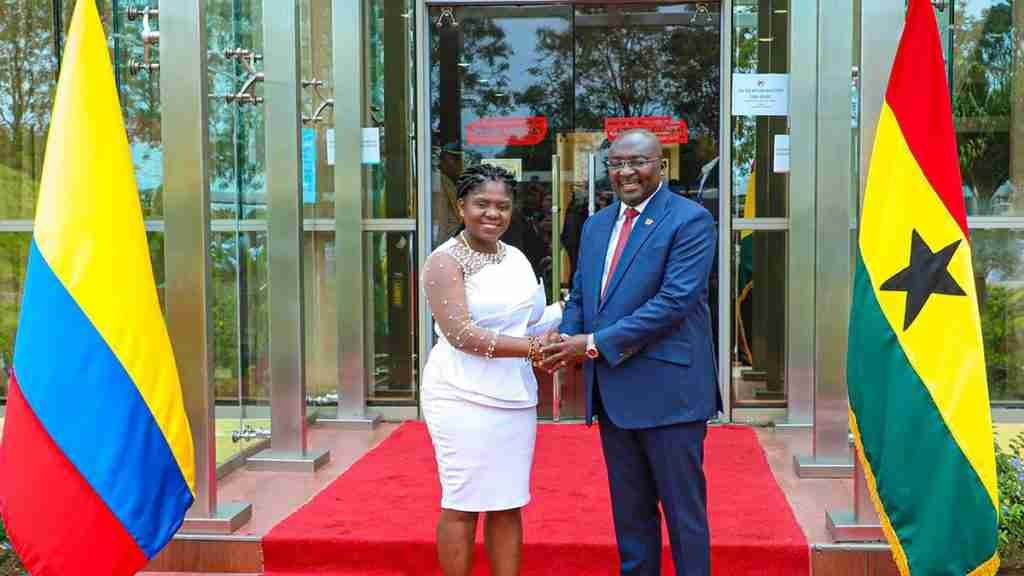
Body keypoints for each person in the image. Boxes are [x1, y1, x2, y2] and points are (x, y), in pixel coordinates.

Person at [541, 129, 721, 575]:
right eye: (617, 163)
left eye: (637, 162)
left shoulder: (691, 220)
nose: (626, 172)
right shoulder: (596, 224)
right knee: (632, 519)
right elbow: (582, 293)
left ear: (662, 165)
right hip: (615, 395)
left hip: (671, 396)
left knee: (684, 517)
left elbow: (674, 302)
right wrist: (567, 338)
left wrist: (593, 344)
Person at [420, 163, 562, 576]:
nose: (493, 214)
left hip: (514, 394)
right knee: (463, 503)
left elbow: (528, 321)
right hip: (460, 393)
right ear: (461, 206)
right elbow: (462, 335)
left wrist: (565, 324)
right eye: (482, 204)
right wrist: (533, 348)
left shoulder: (515, 256)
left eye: (503, 206)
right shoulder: (444, 261)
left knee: (508, 502)